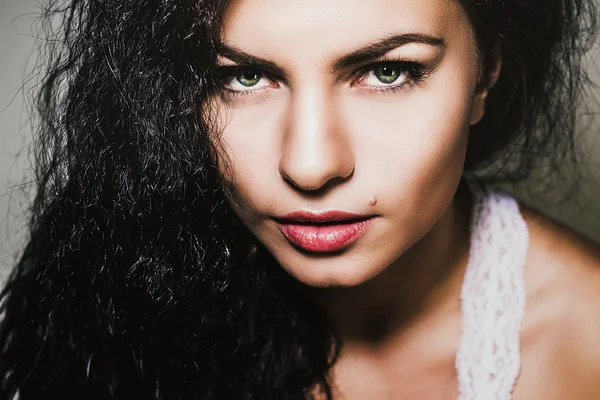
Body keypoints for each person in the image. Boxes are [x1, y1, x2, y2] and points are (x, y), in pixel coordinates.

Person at [0, 0, 599, 398]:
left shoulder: (585, 343)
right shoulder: (119, 290)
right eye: (243, 77)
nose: (310, 165)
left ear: (486, 71)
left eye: (388, 72)